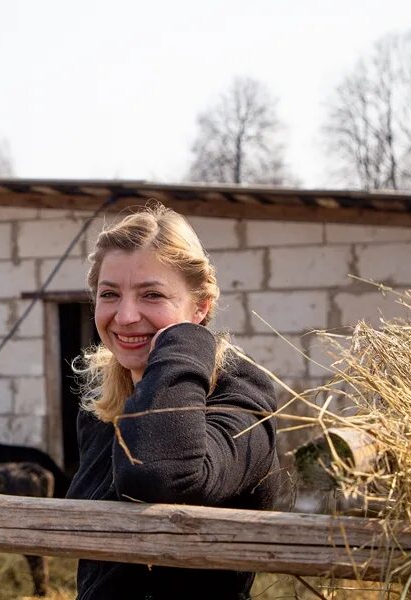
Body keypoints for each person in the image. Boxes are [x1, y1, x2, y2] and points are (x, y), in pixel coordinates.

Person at [66, 203, 279, 600]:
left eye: (152, 295)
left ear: (201, 306)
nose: (126, 315)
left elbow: (159, 476)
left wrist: (185, 338)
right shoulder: (101, 407)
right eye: (109, 294)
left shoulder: (242, 396)